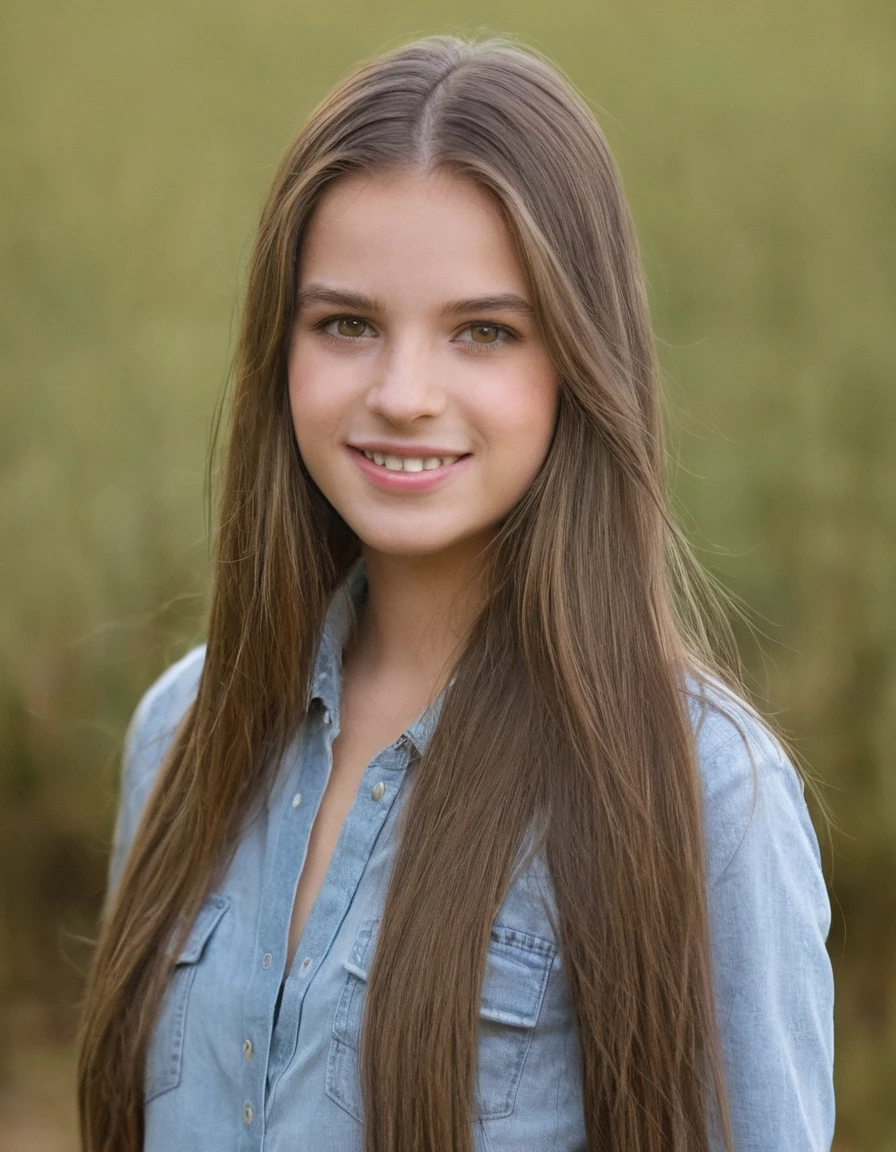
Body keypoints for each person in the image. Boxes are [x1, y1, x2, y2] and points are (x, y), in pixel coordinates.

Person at [77, 34, 834, 1152]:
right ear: (277, 347)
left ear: (579, 357)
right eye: (346, 324)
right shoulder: (179, 732)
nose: (403, 394)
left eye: (483, 332)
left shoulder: (703, 795)